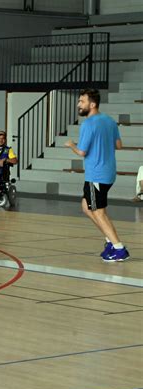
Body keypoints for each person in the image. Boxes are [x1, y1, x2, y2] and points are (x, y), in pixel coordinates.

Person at [65, 88, 130, 262]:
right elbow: (119, 145)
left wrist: (71, 145)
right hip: (108, 173)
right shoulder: (109, 121)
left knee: (98, 212)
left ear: (92, 104)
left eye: (82, 101)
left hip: (96, 175)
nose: (79, 104)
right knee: (87, 207)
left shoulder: (88, 124)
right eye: (79, 101)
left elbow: (82, 152)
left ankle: (118, 248)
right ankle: (110, 240)